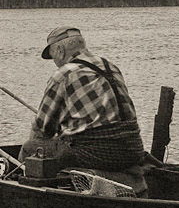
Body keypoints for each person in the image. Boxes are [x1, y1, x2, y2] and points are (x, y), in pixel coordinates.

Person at [21, 26, 154, 194]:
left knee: (30, 147)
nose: (54, 61)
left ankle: (25, 191)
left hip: (96, 154)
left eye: (53, 55)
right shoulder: (110, 67)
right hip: (133, 151)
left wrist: (36, 146)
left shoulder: (64, 74)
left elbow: (43, 129)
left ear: (60, 51)